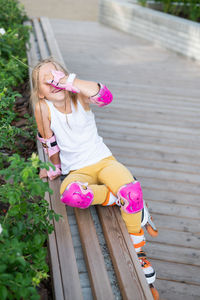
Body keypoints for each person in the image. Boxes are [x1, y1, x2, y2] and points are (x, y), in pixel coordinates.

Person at [32, 57, 159, 299]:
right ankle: (121, 198)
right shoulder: (43, 108)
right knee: (70, 195)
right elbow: (50, 143)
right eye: (47, 82)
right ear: (39, 93)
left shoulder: (79, 96)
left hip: (104, 161)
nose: (54, 82)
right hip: (78, 171)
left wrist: (71, 82)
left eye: (57, 76)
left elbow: (105, 96)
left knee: (130, 191)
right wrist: (54, 169)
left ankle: (139, 250)